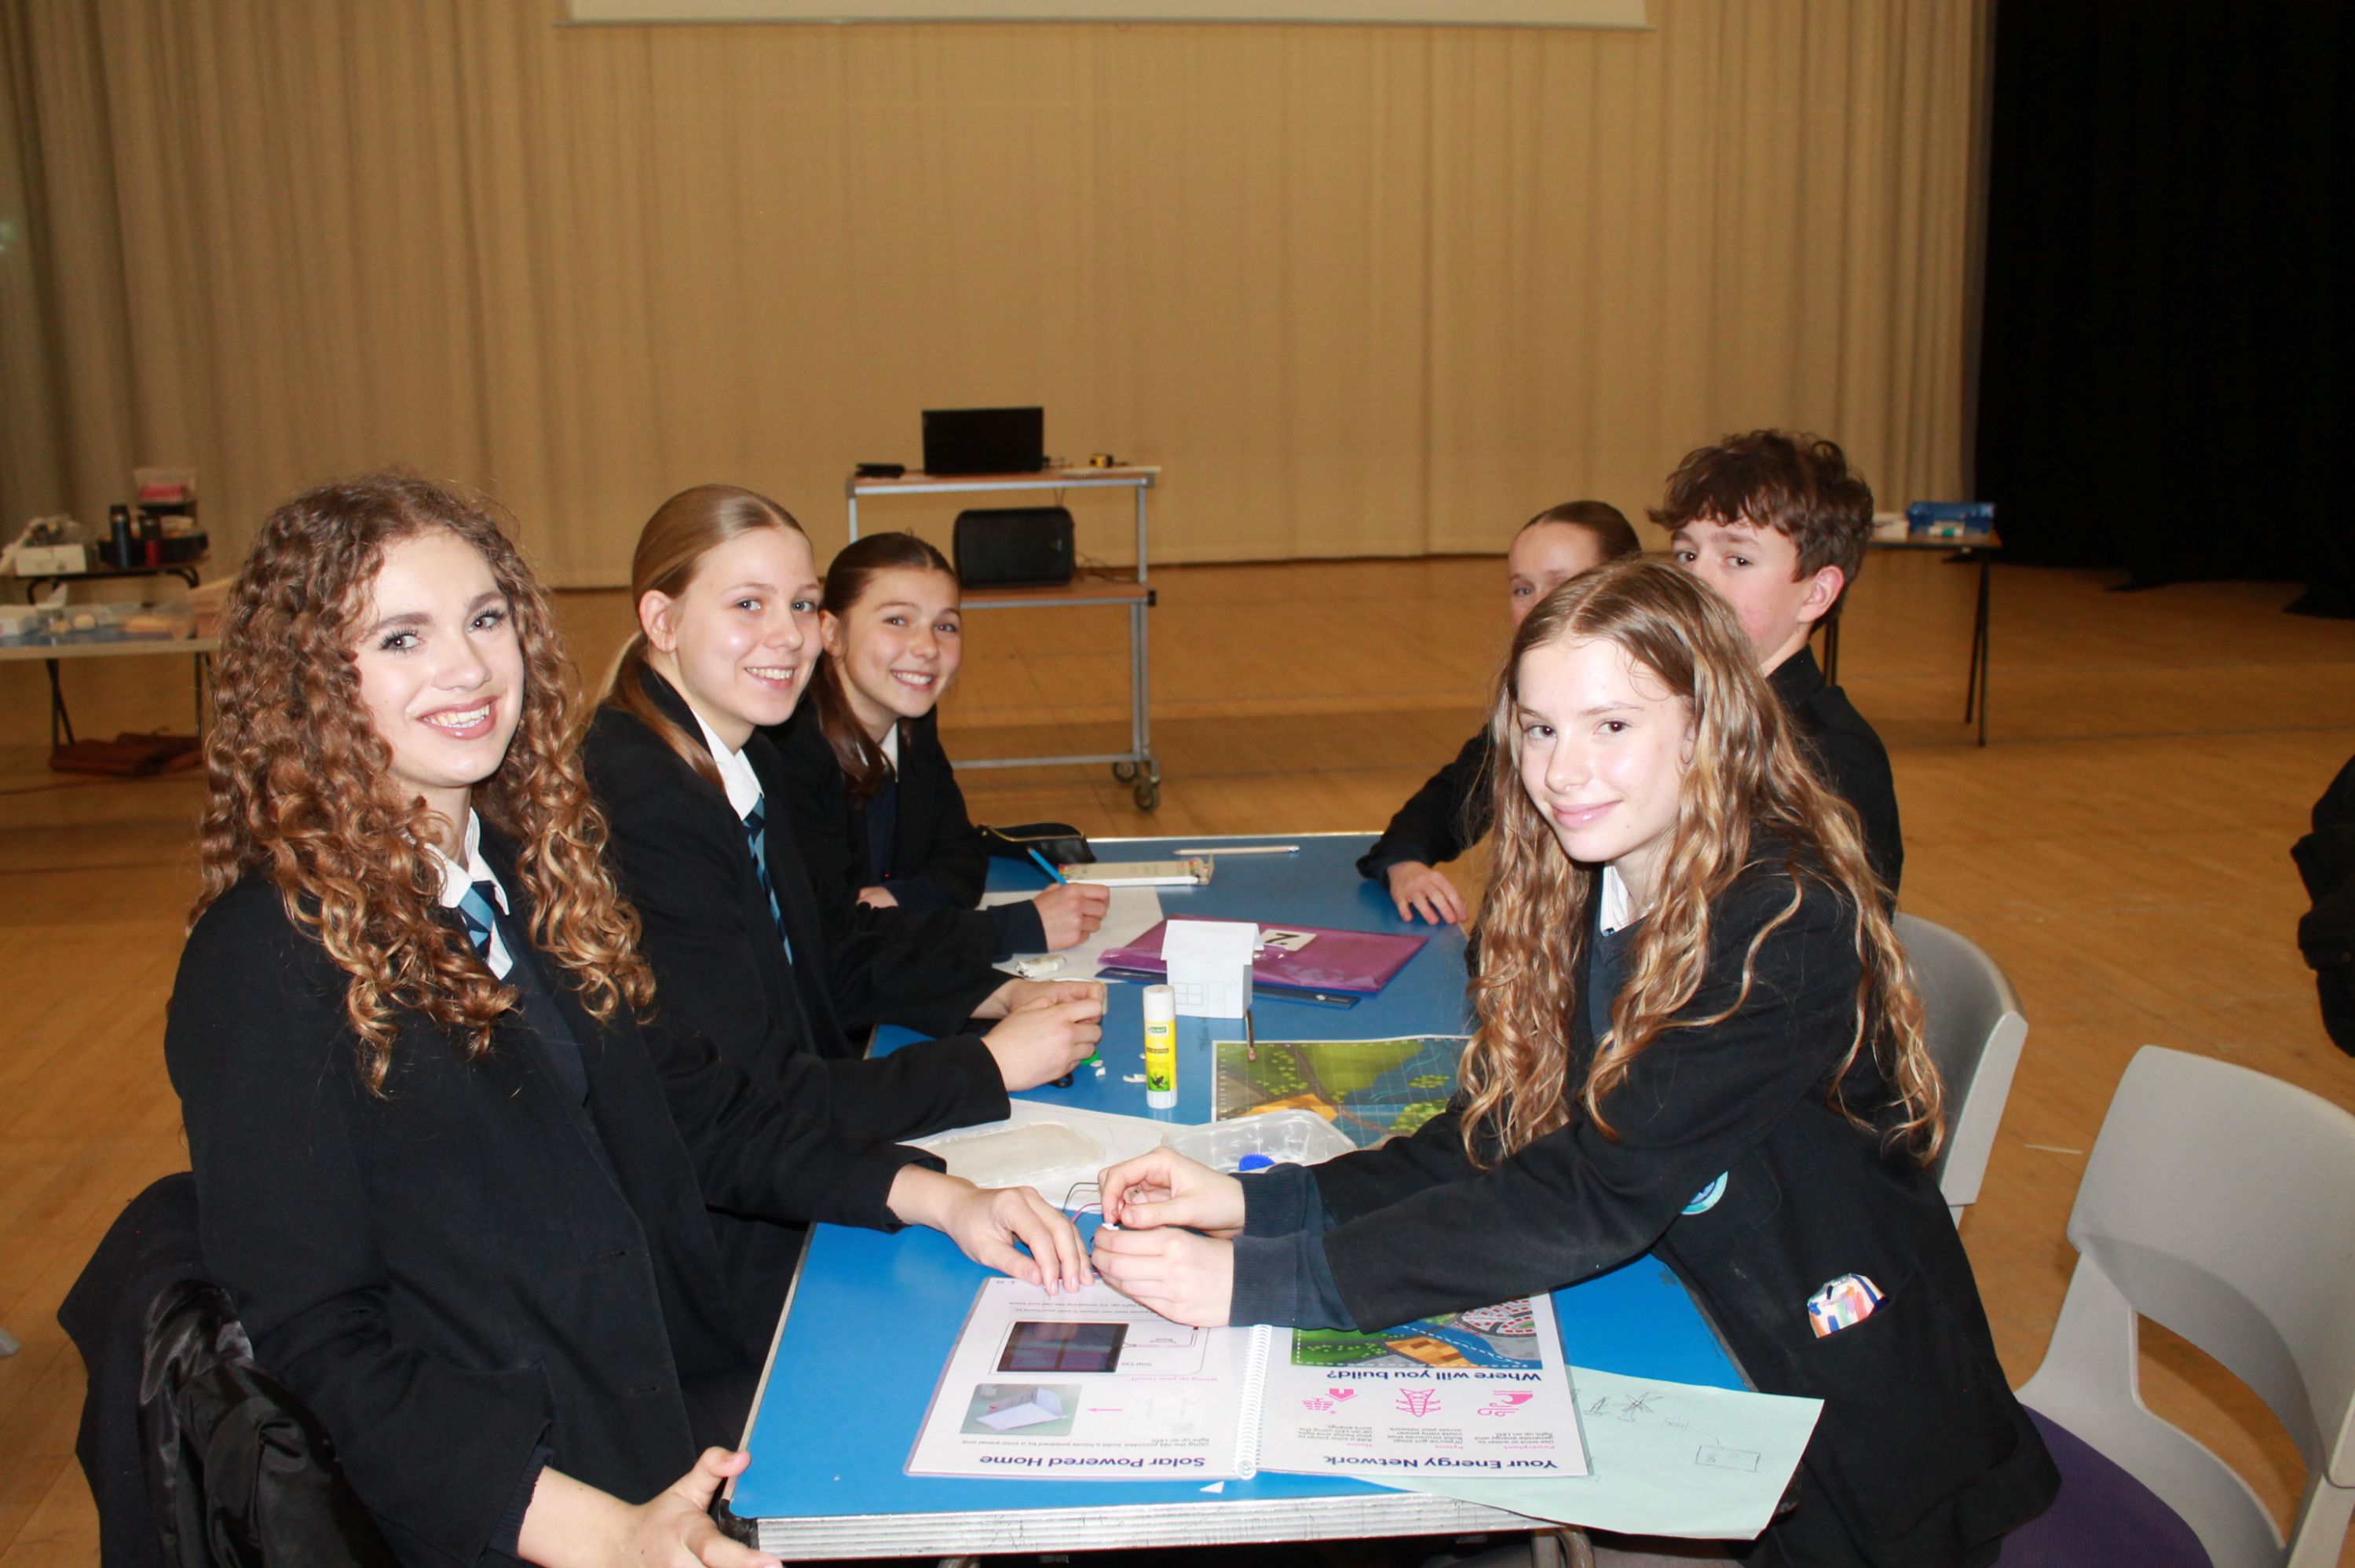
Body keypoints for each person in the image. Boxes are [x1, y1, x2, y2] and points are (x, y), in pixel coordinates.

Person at [166, 474, 1088, 1566]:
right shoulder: (267, 957)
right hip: (528, 1499)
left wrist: (936, 1196)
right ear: (310, 681)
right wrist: (602, 1534)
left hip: (651, 1399)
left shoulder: (518, 869)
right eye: (401, 639)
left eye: (485, 620)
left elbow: (689, 1103)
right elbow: (322, 1344)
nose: (466, 669)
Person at [1095, 559, 2057, 1566]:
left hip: (1847, 1435)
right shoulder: (1582, 884)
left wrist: (1256, 1283)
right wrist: (1259, 1205)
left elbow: (1587, 1194)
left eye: (1611, 725)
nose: (1560, 770)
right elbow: (1501, 1132)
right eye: (1540, 727)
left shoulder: (1778, 921)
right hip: (1704, 1330)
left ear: (1707, 725)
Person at [581, 484, 1104, 1334]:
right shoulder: (644, 799)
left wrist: (987, 990)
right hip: (711, 1261)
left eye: (800, 604)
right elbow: (749, 1100)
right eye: (747, 605)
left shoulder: (734, 759)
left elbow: (827, 947)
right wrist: (986, 1068)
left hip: (789, 1171)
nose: (786, 636)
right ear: (662, 619)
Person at [770, 529, 1110, 958]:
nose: (928, 647)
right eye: (898, 621)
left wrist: (896, 902)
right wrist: (1015, 928)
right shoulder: (790, 754)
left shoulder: (911, 725)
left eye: (945, 626)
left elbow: (962, 855)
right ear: (831, 633)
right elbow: (831, 942)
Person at [1359, 500, 1643, 924]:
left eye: (1564, 584)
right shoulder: (1526, 707)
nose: (1539, 606)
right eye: (1523, 589)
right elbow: (1455, 798)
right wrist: (1405, 863)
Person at [1656, 429, 1903, 897]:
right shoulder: (1678, 708)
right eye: (1687, 554)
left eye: (1738, 559)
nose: (1695, 578)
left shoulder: (1833, 759)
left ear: (1816, 593)